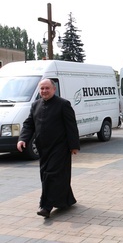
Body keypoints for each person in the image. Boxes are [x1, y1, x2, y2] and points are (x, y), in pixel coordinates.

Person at [16, 79, 80, 218]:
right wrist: (22, 139)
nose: (44, 91)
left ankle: (46, 206)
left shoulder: (63, 104)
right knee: (50, 175)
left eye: (47, 88)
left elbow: (71, 126)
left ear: (54, 89)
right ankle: (67, 199)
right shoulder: (35, 105)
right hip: (43, 148)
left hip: (60, 147)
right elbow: (29, 125)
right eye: (42, 88)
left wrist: (74, 146)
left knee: (50, 175)